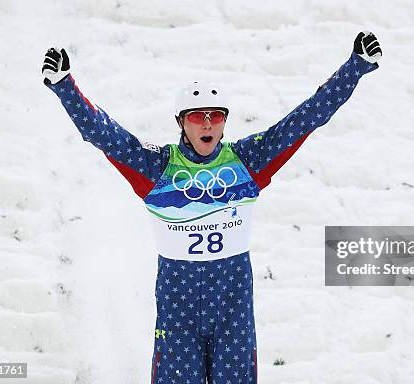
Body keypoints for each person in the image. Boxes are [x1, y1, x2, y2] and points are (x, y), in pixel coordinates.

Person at [42, 31, 381, 384]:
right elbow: (103, 133)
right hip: (179, 313)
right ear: (181, 123)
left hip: (232, 310)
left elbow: (306, 118)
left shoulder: (247, 162)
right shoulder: (157, 168)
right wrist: (64, 85)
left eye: (216, 116)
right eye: (197, 116)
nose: (207, 123)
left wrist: (355, 67)